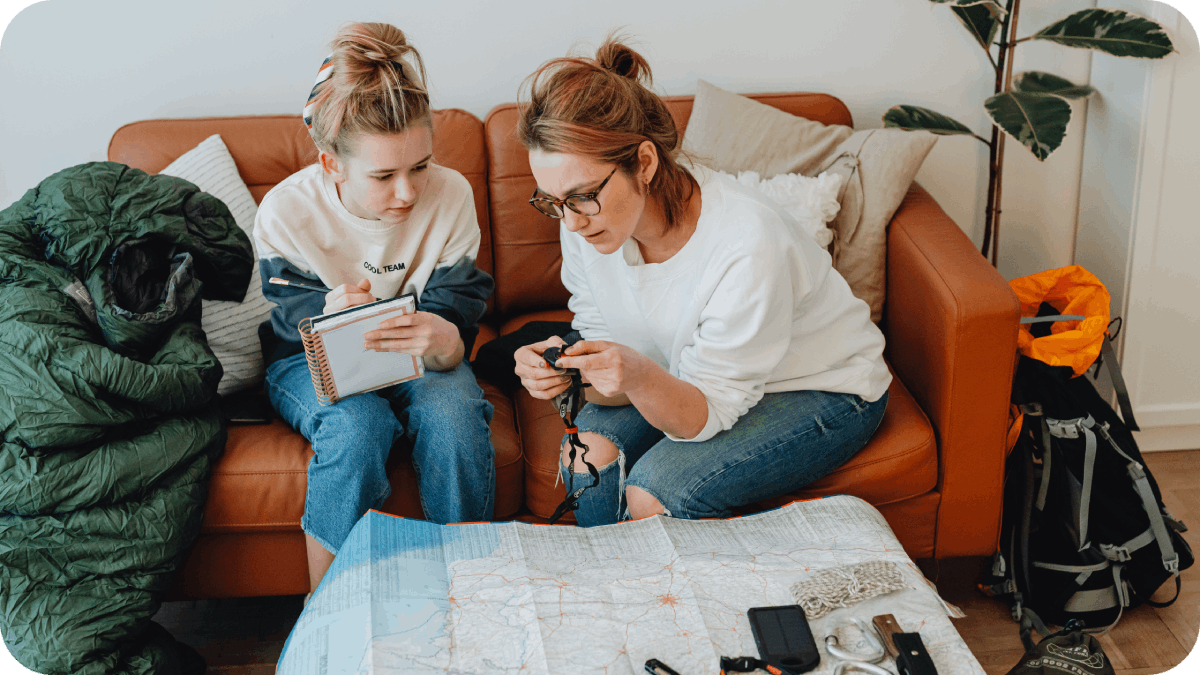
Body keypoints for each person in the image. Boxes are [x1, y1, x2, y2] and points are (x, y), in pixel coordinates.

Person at [512, 37, 891, 527]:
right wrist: (571, 374)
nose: (570, 222)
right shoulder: (586, 223)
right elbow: (618, 366)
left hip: (818, 386)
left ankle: (671, 600)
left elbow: (701, 414)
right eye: (552, 201)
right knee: (585, 458)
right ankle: (615, 592)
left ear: (644, 163)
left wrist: (634, 373)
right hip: (687, 375)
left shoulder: (745, 242)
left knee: (656, 495)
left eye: (582, 196)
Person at [255, 22, 495, 591]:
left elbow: (456, 304)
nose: (408, 192)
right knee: (356, 426)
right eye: (384, 175)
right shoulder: (286, 212)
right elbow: (293, 328)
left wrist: (448, 341)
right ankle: (328, 610)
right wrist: (327, 320)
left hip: (419, 353)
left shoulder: (453, 194)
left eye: (420, 166)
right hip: (308, 360)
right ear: (332, 164)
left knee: (455, 413)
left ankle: (471, 589)